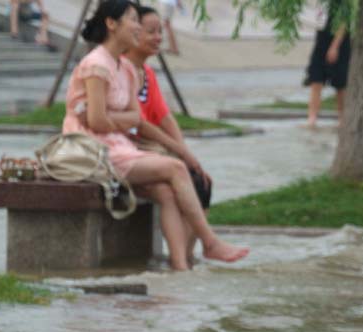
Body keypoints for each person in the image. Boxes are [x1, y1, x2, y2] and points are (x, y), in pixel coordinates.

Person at [63, 0, 248, 271]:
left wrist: (116, 119)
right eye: (132, 20)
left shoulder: (126, 68)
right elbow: (97, 123)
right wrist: (119, 119)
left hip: (118, 145)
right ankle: (210, 242)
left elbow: (134, 118)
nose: (138, 27)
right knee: (175, 168)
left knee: (165, 191)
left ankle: (180, 266)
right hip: (93, 150)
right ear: (111, 24)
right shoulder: (96, 65)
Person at [125, 5, 215, 262]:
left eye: (160, 32)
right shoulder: (123, 71)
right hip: (129, 147)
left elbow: (165, 117)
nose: (158, 38)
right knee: (178, 184)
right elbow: (139, 124)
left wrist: (185, 153)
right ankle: (184, 258)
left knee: (201, 182)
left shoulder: (147, 73)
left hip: (151, 146)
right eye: (151, 31)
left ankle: (186, 256)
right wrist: (180, 153)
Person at [304, 5, 350, 127]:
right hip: (321, 42)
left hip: (340, 45)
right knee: (316, 80)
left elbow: (344, 22)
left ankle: (343, 119)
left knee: (340, 84)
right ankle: (312, 118)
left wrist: (334, 46)